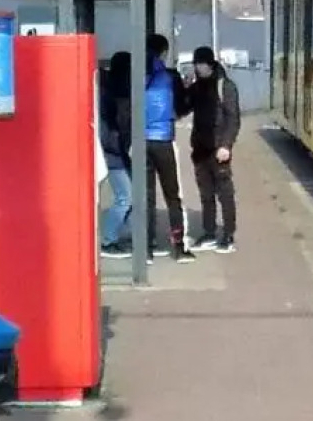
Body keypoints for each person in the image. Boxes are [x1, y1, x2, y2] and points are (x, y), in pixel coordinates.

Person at [145, 32, 195, 263]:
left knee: (145, 196)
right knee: (173, 196)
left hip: (141, 141)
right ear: (164, 52)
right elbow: (182, 107)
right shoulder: (170, 76)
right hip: (163, 140)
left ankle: (146, 248)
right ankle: (178, 246)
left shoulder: (135, 73)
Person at [186, 46, 242, 254]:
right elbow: (184, 107)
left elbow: (233, 118)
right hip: (200, 149)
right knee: (206, 193)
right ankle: (209, 232)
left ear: (209, 64)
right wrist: (184, 88)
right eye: (195, 64)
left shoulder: (225, 86)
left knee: (225, 193)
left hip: (219, 149)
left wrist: (226, 145)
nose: (197, 68)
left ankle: (228, 235)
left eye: (200, 64)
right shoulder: (197, 87)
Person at [98, 51, 134, 259]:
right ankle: (107, 239)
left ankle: (120, 233)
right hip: (115, 154)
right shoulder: (114, 94)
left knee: (129, 196)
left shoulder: (107, 89)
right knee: (125, 196)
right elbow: (109, 127)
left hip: (117, 152)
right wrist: (120, 144)